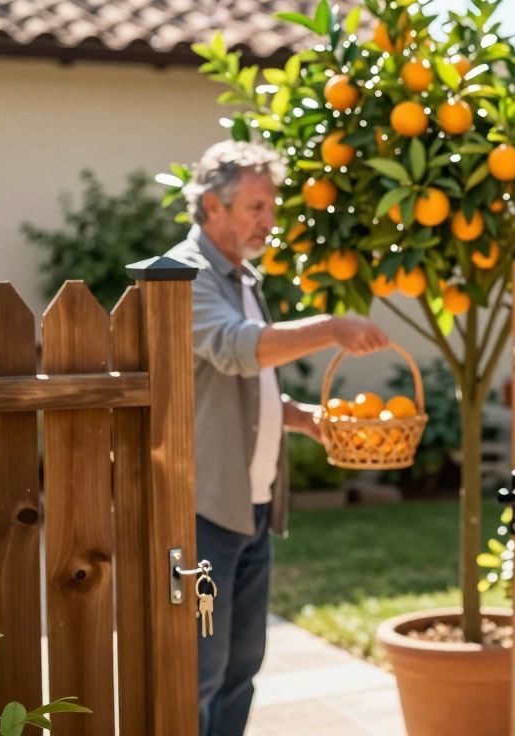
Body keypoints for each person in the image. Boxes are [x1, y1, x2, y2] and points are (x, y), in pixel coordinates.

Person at [165, 140, 389, 736]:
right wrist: (332, 328)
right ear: (213, 206)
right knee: (201, 674)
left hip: (254, 508)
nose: (269, 220)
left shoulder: (241, 276)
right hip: (206, 509)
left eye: (271, 205)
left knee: (243, 667)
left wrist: (301, 417)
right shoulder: (186, 275)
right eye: (256, 206)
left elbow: (242, 388)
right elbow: (238, 351)